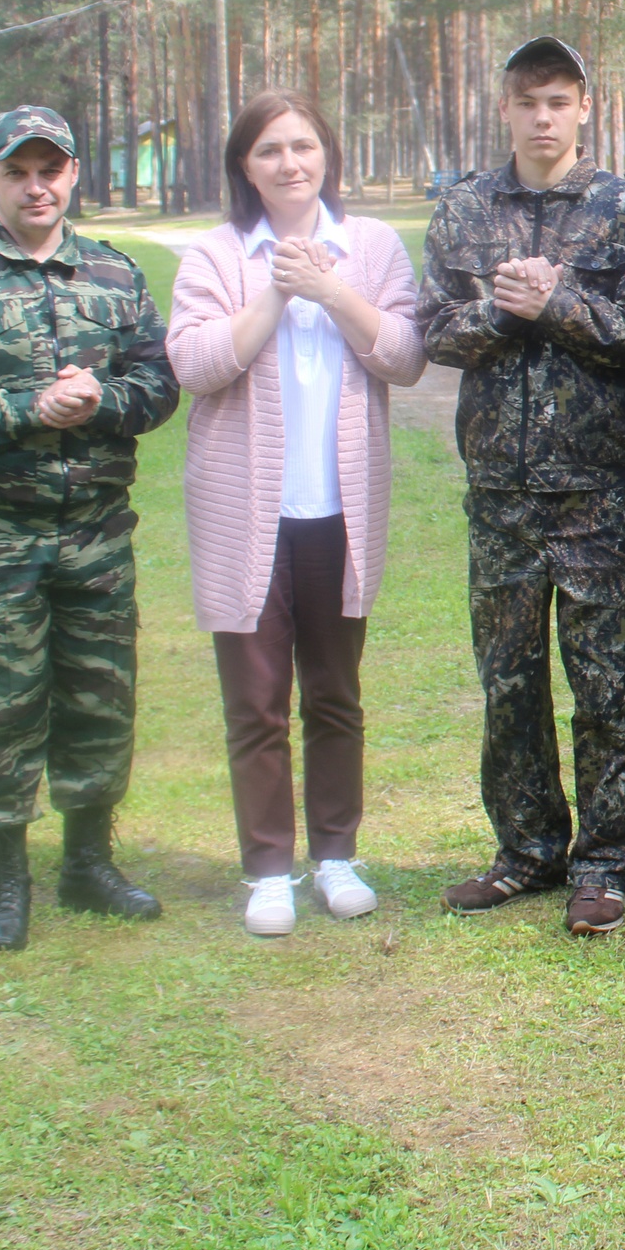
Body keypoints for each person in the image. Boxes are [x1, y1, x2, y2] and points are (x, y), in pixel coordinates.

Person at [0, 106, 181, 952]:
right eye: (18, 171)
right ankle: (6, 877)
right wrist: (30, 408)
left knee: (99, 696)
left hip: (96, 528)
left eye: (50, 169)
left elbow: (158, 382)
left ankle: (88, 863)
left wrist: (100, 402)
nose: (36, 185)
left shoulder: (115, 274)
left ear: (73, 174)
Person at [418, 36, 625, 935]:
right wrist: (501, 307)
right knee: (509, 682)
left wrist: (557, 302)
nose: (544, 117)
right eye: (529, 101)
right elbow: (433, 331)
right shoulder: (464, 209)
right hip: (500, 496)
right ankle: (525, 850)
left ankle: (604, 861)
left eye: (559, 100)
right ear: (507, 108)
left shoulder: (624, 208)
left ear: (585, 106)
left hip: (594, 489)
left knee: (605, 683)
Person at [167, 91, 428, 937]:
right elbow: (197, 365)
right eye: (270, 149)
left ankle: (338, 856)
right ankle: (268, 868)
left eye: (304, 145)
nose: (290, 162)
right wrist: (277, 293)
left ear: (328, 154)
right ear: (246, 166)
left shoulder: (374, 246)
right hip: (246, 514)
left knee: (335, 694)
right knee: (255, 699)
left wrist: (329, 287)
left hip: (337, 513)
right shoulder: (215, 254)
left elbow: (404, 355)